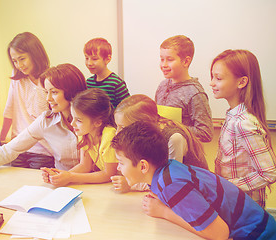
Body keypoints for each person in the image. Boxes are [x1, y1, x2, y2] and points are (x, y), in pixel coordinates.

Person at [112, 121, 276, 240]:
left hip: (259, 234)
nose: (119, 168)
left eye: (121, 162)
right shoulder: (167, 170)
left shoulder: (171, 184)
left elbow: (219, 234)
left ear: (143, 166)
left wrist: (163, 212)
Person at [210, 49, 276, 208]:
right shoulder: (233, 117)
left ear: (241, 82)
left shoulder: (243, 123)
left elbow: (269, 173)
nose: (212, 83)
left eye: (218, 78)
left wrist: (228, 186)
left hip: (243, 209)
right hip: (231, 203)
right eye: (212, 77)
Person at [111, 94, 208, 193]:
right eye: (117, 126)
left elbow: (170, 181)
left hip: (197, 193)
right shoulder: (143, 138)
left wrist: (131, 184)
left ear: (141, 124)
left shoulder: (174, 138)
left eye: (122, 127)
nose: (117, 133)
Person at [41, 88, 118, 186]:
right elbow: (85, 166)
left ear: (98, 122)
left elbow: (108, 174)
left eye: (79, 120)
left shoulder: (109, 136)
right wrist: (60, 176)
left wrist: (70, 177)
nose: (72, 123)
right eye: (73, 118)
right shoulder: (84, 133)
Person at [0, 32, 54, 169]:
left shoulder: (50, 80)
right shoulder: (17, 78)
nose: (19, 65)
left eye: (22, 59)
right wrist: (1, 139)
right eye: (15, 61)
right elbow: (9, 109)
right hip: (18, 146)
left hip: (43, 150)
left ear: (35, 54)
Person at [155, 35, 213, 142]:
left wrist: (172, 128)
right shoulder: (162, 86)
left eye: (170, 59)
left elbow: (206, 133)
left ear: (186, 61)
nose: (164, 64)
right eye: (162, 59)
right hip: (163, 152)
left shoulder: (195, 92)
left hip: (184, 156)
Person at [84, 37, 130, 108]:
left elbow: (127, 110)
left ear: (107, 59)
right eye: (87, 58)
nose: (89, 63)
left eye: (94, 59)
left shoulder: (117, 84)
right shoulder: (88, 83)